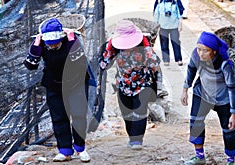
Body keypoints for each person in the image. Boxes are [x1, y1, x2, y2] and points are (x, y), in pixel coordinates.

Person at [24, 18, 91, 162]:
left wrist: (72, 41)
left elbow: (79, 61)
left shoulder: (71, 40)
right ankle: (65, 150)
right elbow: (31, 65)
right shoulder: (41, 44)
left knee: (79, 116)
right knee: (59, 117)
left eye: (55, 43)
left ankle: (80, 148)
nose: (53, 46)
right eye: (50, 44)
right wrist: (36, 45)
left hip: (76, 83)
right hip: (54, 84)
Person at [180, 31, 235, 165]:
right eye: (199, 49)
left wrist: (233, 113)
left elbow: (232, 88)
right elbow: (191, 70)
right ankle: (199, 156)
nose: (201, 53)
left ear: (214, 52)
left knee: (229, 129)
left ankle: (231, 160)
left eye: (205, 50)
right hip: (203, 93)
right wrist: (185, 89)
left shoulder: (224, 64)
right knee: (195, 122)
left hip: (223, 98)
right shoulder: (196, 55)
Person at [100, 20, 159, 150]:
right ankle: (132, 137)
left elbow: (155, 64)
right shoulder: (113, 46)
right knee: (127, 114)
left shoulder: (144, 43)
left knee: (140, 112)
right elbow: (103, 64)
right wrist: (107, 50)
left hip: (142, 84)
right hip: (123, 85)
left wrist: (156, 83)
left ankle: (137, 140)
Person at [153, 0, 184, 66]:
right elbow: (156, 15)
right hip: (163, 26)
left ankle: (179, 59)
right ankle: (166, 60)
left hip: (174, 26)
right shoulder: (159, 2)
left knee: (176, 43)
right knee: (164, 44)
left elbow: (180, 14)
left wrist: (180, 25)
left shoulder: (176, 1)